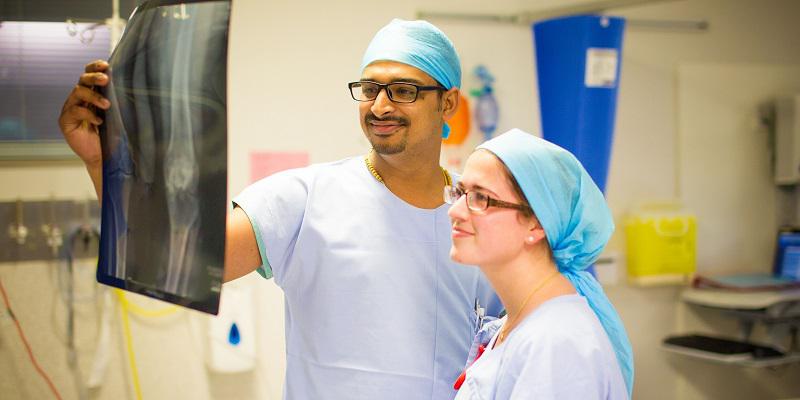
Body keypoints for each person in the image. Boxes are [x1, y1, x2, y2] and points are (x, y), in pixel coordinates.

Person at [58, 19, 502, 400]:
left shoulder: (483, 216)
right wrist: (103, 161)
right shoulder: (304, 198)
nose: (380, 106)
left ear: (447, 102)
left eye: (403, 90)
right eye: (369, 89)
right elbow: (174, 259)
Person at [445, 128, 633, 399]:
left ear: (536, 222)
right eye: (460, 193)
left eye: (480, 198)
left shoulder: (557, 344)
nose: (455, 210)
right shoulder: (522, 323)